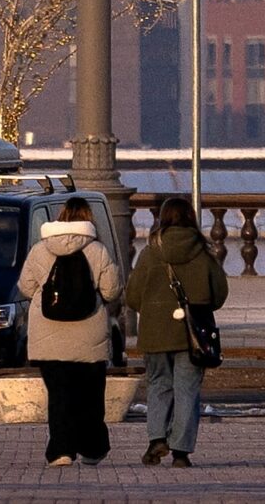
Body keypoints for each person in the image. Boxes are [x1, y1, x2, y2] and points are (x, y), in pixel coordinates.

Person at [16, 198, 122, 467]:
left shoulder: (41, 250)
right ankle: (92, 448)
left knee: (59, 395)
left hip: (48, 337)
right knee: (90, 395)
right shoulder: (97, 250)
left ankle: (61, 450)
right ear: (88, 220)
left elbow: (25, 287)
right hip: (89, 336)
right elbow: (112, 290)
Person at [126, 197, 228, 469]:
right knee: (187, 390)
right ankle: (181, 452)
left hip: (155, 332)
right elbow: (219, 295)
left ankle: (156, 438)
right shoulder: (204, 254)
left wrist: (152, 308)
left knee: (159, 385)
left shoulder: (150, 253)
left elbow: (132, 296)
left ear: (163, 219)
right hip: (192, 335)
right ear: (191, 218)